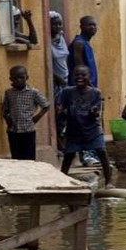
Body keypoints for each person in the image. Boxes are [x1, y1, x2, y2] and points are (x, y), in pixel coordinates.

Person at [58, 66, 112, 187]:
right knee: (68, 156)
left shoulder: (95, 92)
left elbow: (97, 112)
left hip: (92, 130)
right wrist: (60, 111)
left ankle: (109, 181)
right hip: (74, 131)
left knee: (102, 152)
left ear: (89, 77)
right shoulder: (67, 92)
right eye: (77, 75)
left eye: (83, 75)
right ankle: (61, 181)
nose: (79, 77)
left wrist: (94, 111)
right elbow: (61, 108)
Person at [67, 15, 101, 167]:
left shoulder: (86, 43)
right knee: (83, 122)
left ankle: (91, 153)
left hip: (90, 89)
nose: (93, 28)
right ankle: (86, 155)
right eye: (89, 25)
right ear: (81, 26)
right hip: (83, 92)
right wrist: (86, 87)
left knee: (91, 120)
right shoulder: (79, 44)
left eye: (94, 25)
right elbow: (79, 69)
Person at [1, 65, 50, 160]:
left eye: (21, 77)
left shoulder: (33, 92)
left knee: (29, 157)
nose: (18, 80)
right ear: (11, 79)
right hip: (14, 130)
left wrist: (37, 117)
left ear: (27, 78)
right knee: (16, 156)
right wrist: (7, 119)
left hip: (28, 129)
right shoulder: (9, 93)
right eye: (15, 78)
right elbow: (5, 109)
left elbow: (46, 105)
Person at [49, 11, 69, 154]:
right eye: (54, 24)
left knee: (65, 112)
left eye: (59, 24)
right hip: (57, 82)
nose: (57, 27)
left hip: (65, 79)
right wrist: (56, 77)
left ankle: (64, 139)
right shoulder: (48, 42)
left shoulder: (60, 39)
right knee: (58, 112)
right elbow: (47, 63)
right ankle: (59, 142)